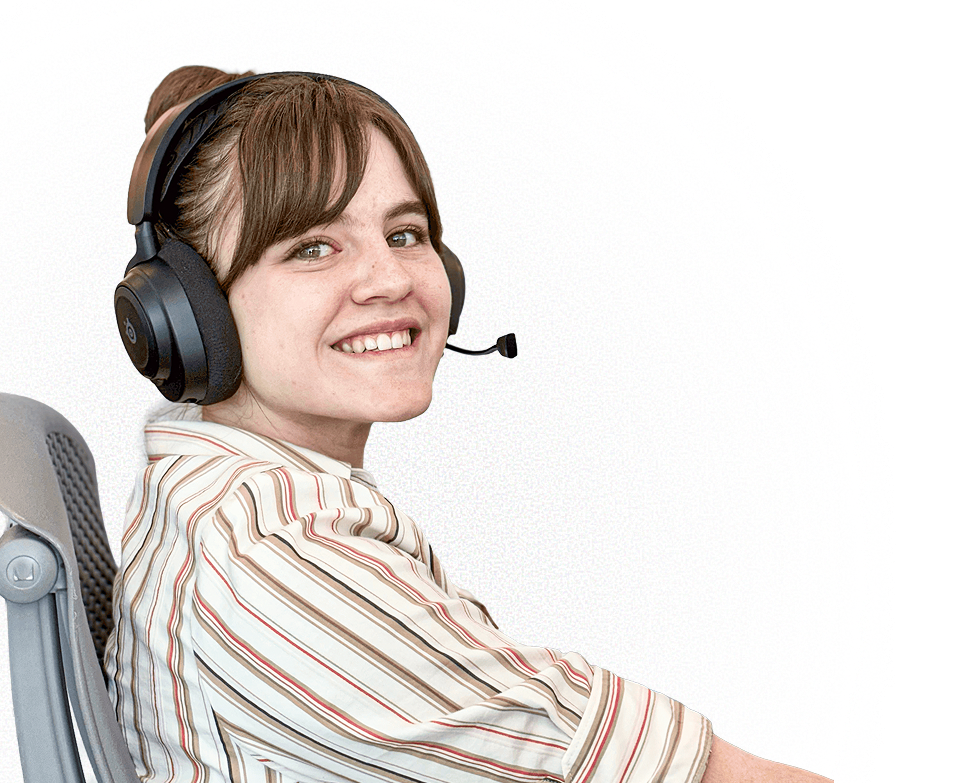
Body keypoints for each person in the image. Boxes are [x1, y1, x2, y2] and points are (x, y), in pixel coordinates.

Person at [104, 66, 833, 783]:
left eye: (405, 233)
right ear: (188, 313)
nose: (391, 279)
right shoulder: (270, 547)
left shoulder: (226, 497)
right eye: (312, 247)